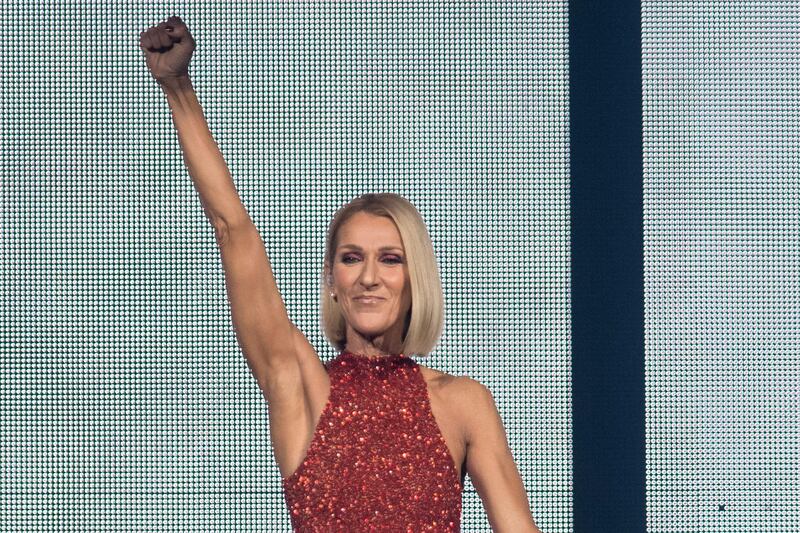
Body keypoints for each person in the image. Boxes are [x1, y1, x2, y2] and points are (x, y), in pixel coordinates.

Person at [139, 16, 541, 532]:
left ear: (415, 277)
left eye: (390, 259)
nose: (369, 277)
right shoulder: (300, 385)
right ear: (332, 279)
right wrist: (178, 88)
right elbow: (232, 228)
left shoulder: (463, 402)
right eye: (352, 259)